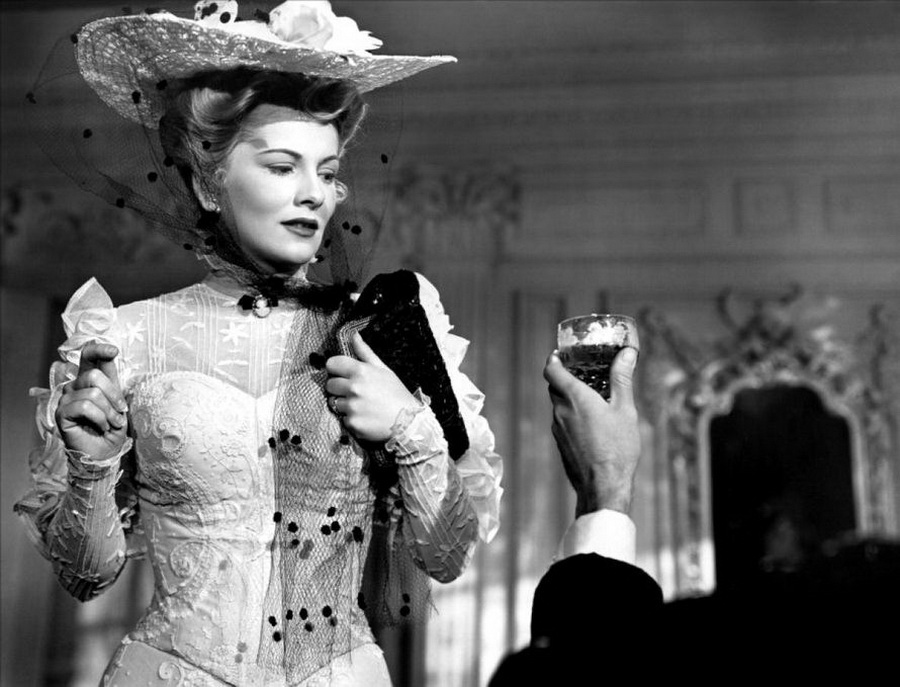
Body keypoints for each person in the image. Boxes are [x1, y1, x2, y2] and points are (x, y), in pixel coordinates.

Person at [14, 3, 502, 686]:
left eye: (328, 172)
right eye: (282, 166)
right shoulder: (123, 337)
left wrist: (408, 426)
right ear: (209, 182)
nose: (315, 195)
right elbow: (84, 576)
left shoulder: (385, 327)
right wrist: (92, 467)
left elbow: (446, 556)